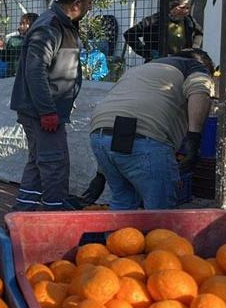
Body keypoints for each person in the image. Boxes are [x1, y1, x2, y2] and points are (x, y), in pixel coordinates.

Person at [87, 49, 214, 210]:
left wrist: (101, 173)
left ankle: (115, 235)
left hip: (99, 135)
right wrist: (194, 139)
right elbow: (200, 91)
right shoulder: (194, 67)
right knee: (159, 211)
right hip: (144, 139)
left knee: (123, 201)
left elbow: (118, 117)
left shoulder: (141, 69)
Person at [10, 0, 95, 211]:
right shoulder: (50, 25)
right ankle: (54, 219)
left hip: (45, 110)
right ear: (77, 4)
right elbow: (35, 70)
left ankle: (21, 217)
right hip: (42, 113)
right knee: (54, 165)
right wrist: (47, 111)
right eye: (89, 3)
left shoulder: (62, 24)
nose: (89, 9)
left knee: (39, 164)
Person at [124, 0, 203, 62]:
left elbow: (199, 32)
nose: (185, 11)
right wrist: (146, 53)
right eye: (182, 7)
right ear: (171, 6)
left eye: (187, 8)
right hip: (158, 63)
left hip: (181, 62)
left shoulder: (189, 20)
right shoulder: (154, 20)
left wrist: (194, 48)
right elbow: (130, 34)